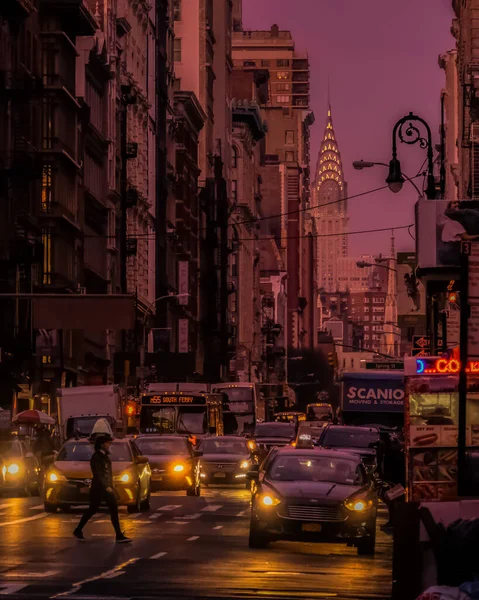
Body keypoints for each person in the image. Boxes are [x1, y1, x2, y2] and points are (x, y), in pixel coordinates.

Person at [74, 433, 131, 543]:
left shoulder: (104, 456)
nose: (109, 445)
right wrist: (107, 487)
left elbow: (107, 473)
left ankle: (78, 529)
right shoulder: (97, 457)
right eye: (107, 443)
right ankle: (118, 535)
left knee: (94, 509)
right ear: (102, 444)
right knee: (111, 509)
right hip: (100, 488)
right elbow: (99, 474)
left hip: (103, 487)